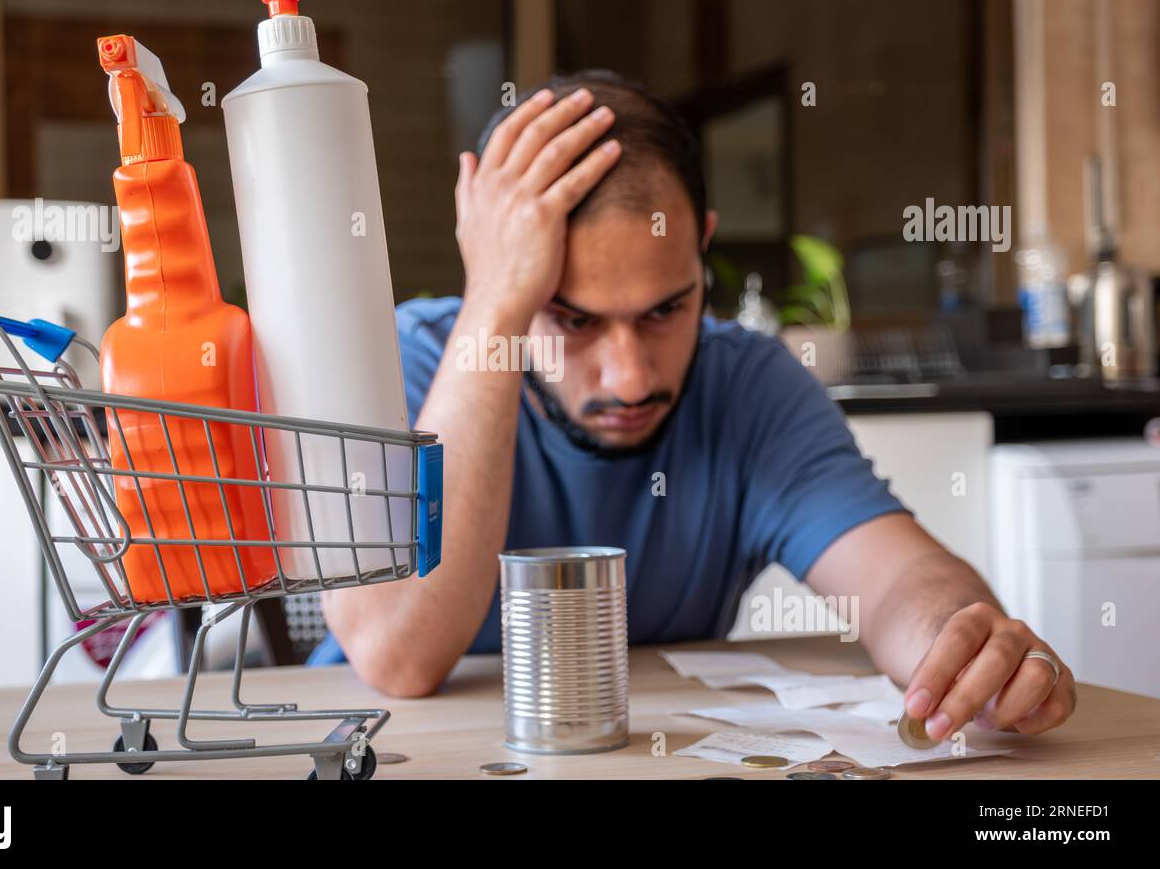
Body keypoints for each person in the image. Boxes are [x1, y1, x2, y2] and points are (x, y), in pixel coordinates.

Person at [312, 71, 1075, 743]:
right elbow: (398, 654)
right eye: (573, 320)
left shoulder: (746, 386)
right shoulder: (405, 364)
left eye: (665, 310)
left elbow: (893, 582)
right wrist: (495, 306)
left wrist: (960, 642)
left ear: (703, 248)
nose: (632, 377)